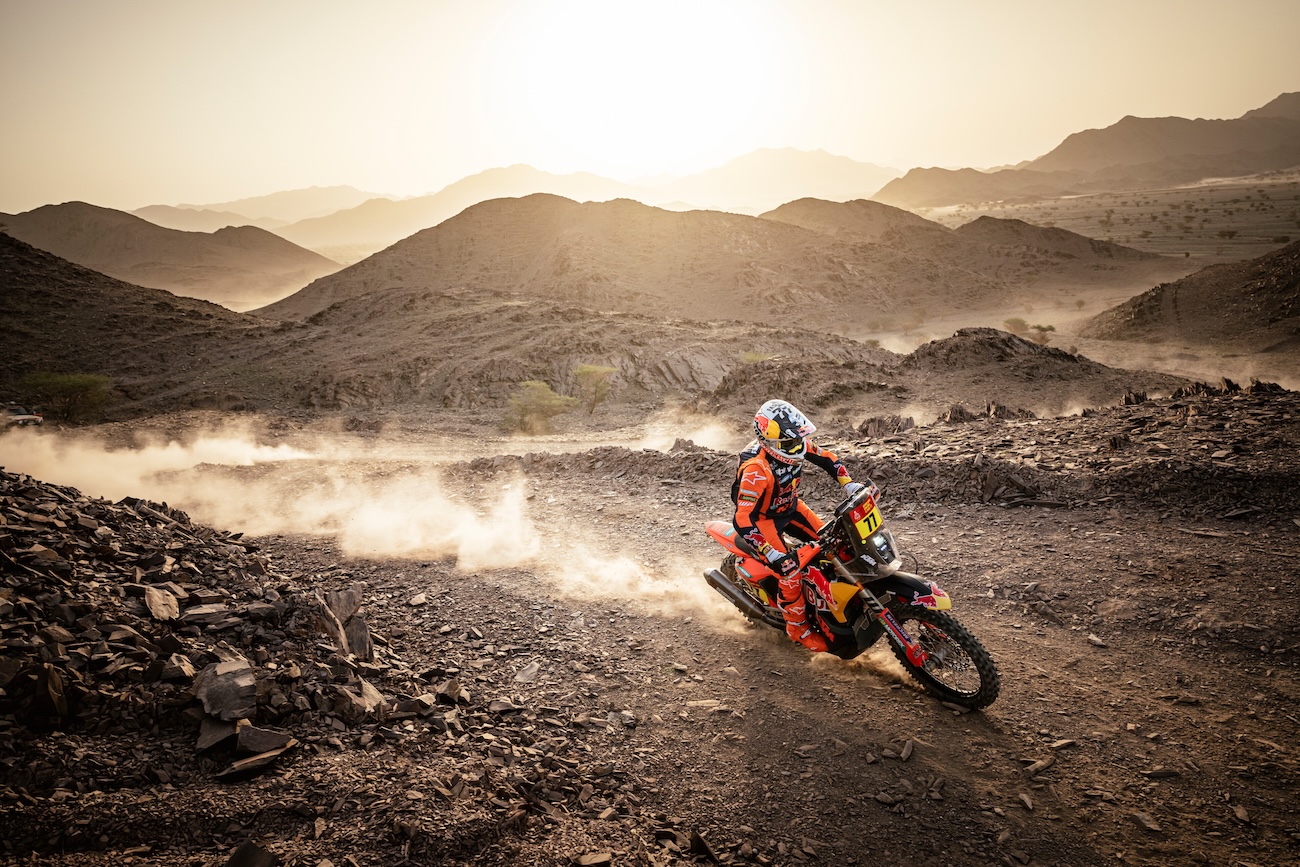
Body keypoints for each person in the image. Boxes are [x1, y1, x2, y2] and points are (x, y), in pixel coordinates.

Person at [731, 399, 865, 652]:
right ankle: (798, 627)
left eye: (798, 440)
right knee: (790, 570)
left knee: (835, 542)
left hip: (790, 507)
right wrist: (770, 553)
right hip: (763, 520)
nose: (798, 447)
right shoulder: (756, 469)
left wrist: (848, 484)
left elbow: (827, 458)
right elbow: (742, 518)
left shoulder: (795, 443)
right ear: (770, 442)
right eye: (790, 443)